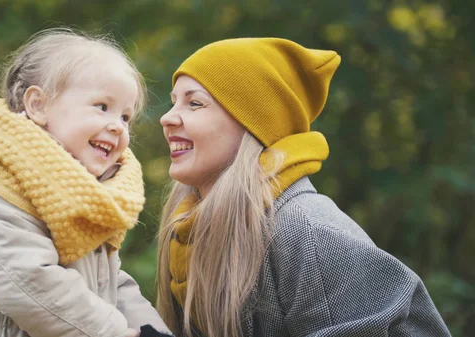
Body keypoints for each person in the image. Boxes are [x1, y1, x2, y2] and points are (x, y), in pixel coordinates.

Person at [156, 37, 451, 337]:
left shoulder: (307, 233)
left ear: (255, 123)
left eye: (195, 103)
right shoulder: (191, 233)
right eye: (174, 102)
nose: (166, 118)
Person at [0, 28, 170, 337]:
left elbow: (112, 283)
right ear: (38, 105)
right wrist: (112, 331)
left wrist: (152, 330)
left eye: (125, 117)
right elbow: (33, 286)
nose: (117, 127)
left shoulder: (79, 201)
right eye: (102, 107)